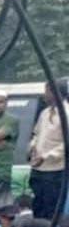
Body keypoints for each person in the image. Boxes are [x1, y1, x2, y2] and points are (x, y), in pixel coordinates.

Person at [28, 80, 66, 217]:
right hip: (38, 168)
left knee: (52, 208)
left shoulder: (66, 113)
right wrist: (32, 147)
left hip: (55, 169)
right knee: (38, 206)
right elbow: (37, 134)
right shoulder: (44, 113)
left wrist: (46, 156)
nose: (44, 94)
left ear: (56, 93)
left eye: (47, 91)